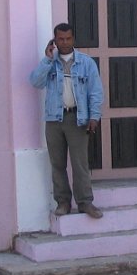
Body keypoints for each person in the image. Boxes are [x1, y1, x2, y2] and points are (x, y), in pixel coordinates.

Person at [28, 23, 105, 219]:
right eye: (60, 39)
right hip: (54, 119)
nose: (64, 42)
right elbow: (36, 82)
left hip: (77, 118)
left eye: (68, 38)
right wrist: (47, 59)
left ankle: (85, 202)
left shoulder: (86, 63)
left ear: (73, 39)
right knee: (57, 164)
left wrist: (94, 116)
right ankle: (63, 202)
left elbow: (95, 91)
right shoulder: (50, 63)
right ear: (55, 40)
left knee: (80, 163)